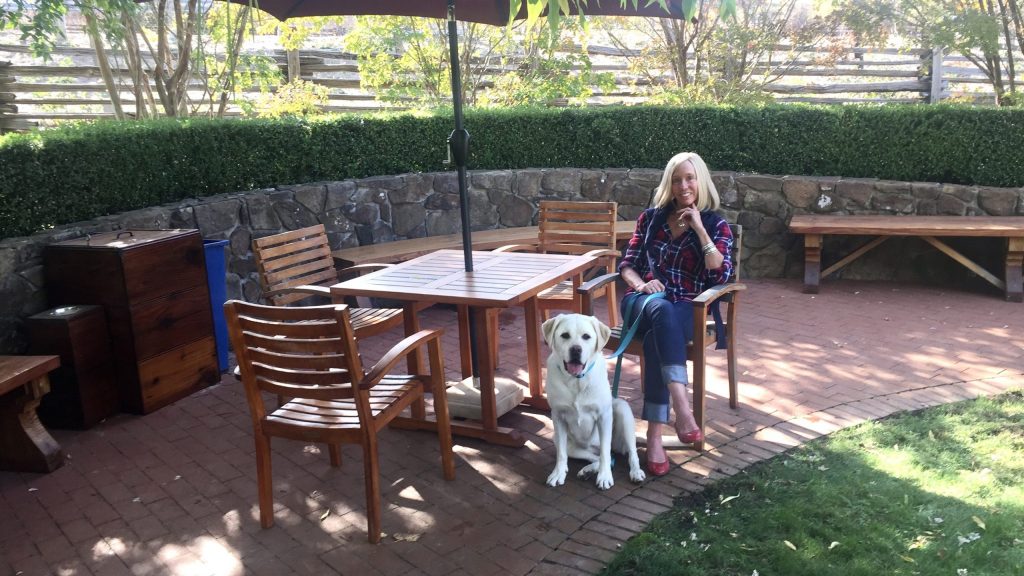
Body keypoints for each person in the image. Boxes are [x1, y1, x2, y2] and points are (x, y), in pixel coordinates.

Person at [618, 151, 734, 477]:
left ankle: (655, 438)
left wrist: (699, 229)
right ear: (669, 183)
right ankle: (683, 410)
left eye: (690, 178)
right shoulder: (651, 218)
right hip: (642, 301)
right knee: (659, 308)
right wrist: (642, 285)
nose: (684, 185)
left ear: (701, 181)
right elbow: (627, 266)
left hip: (689, 307)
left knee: (661, 328)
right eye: (677, 179)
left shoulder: (716, 225)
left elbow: (721, 275)